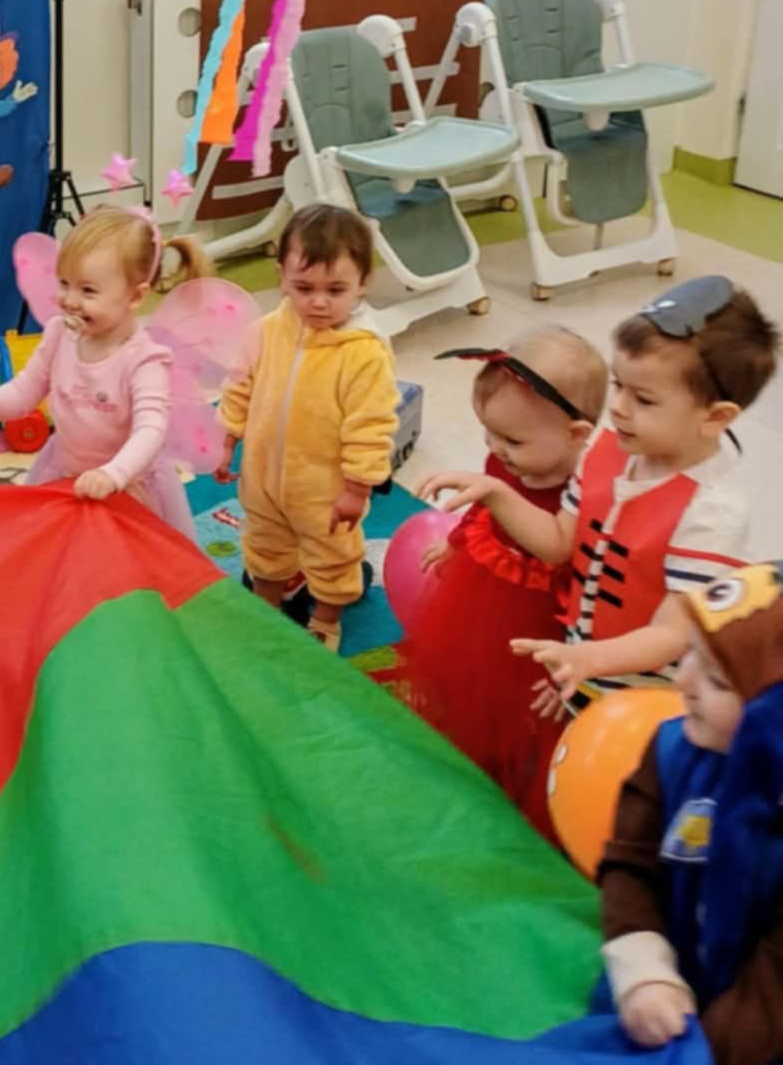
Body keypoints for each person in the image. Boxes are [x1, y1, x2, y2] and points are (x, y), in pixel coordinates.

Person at [420, 277, 778, 711]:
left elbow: (671, 634)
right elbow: (559, 543)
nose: (619, 407)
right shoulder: (607, 452)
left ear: (715, 417)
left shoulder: (712, 515)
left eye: (644, 399)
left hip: (639, 698)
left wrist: (589, 660)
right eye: (618, 385)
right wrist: (497, 492)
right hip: (582, 667)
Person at [598, 562, 783, 1065]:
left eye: (714, 679)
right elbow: (629, 864)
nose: (679, 685)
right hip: (672, 1032)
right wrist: (643, 968)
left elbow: (775, 991)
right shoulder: (675, 749)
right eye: (687, 662)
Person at [399, 331, 607, 836]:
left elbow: (570, 563)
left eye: (512, 441)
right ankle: (470, 741)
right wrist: (459, 544)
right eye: (489, 433)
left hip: (539, 619)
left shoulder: (587, 493)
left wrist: (578, 665)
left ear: (576, 435)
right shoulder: (504, 462)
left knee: (521, 707)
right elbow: (486, 510)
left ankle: (509, 772)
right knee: (469, 669)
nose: (496, 450)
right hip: (484, 591)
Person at [0, 207, 210, 537]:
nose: (70, 301)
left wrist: (112, 475)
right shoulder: (59, 334)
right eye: (64, 284)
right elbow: (24, 391)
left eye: (88, 290)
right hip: (65, 472)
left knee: (125, 558)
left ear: (135, 296)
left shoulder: (145, 361)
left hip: (126, 485)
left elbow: (150, 431)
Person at [216, 204, 397, 652]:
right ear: (282, 277)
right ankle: (266, 607)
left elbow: (371, 426)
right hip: (263, 478)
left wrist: (357, 488)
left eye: (335, 290)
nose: (318, 302)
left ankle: (324, 620)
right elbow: (239, 385)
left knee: (333, 557)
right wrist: (227, 438)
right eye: (304, 288)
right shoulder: (266, 331)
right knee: (264, 546)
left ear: (363, 282)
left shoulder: (364, 352)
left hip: (325, 491)